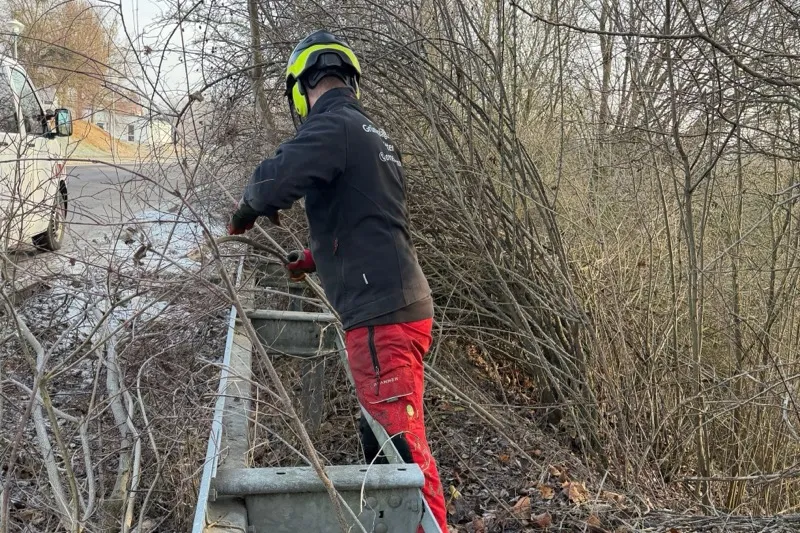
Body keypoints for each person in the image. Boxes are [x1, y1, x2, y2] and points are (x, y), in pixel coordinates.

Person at [227, 30, 448, 532]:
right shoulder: (373, 134)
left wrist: (247, 209)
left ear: (302, 88)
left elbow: (273, 179)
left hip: (381, 320)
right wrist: (312, 257)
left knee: (404, 455)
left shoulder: (334, 125)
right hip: (400, 304)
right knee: (382, 443)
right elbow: (370, 225)